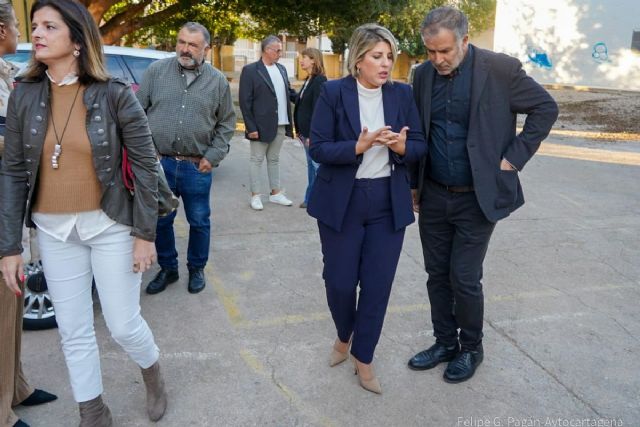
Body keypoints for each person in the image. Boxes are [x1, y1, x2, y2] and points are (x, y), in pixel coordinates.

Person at [0, 1, 168, 424]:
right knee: (73, 331)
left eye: (49, 26)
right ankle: (92, 410)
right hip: (53, 231)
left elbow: (147, 167)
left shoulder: (114, 94)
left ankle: (152, 372)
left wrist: (144, 234)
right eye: (34, 25)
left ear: (76, 40)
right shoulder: (24, 95)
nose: (36, 33)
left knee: (124, 325)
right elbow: (13, 172)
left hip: (110, 225)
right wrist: (9, 246)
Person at [407, 6, 558, 383]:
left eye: (445, 51)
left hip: (478, 196)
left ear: (465, 40)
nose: (438, 59)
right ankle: (444, 343)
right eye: (431, 51)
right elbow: (420, 133)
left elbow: (545, 107)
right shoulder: (422, 75)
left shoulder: (500, 69)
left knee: (464, 276)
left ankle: (471, 347)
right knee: (436, 274)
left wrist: (514, 158)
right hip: (435, 194)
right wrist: (413, 184)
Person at [308, 23, 426, 394]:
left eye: (390, 56)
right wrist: (357, 148)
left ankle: (364, 356)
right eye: (378, 56)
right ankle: (344, 335)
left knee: (377, 287)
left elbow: (420, 145)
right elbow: (319, 147)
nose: (386, 63)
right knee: (340, 283)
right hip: (342, 200)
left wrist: (402, 148)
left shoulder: (402, 95)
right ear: (358, 59)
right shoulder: (331, 92)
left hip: (387, 202)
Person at [137, 22, 236, 295]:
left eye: (192, 45)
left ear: (206, 48)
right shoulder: (157, 72)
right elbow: (137, 114)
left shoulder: (217, 81)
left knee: (199, 220)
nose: (185, 49)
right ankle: (168, 268)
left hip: (196, 166)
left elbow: (227, 123)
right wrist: (147, 153)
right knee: (161, 221)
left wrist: (212, 156)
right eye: (181, 42)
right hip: (161, 165)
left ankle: (196, 268)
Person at [0, 4, 58, 427]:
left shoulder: (7, 73)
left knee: (12, 308)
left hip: (11, 209)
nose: (25, 33)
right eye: (22, 26)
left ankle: (15, 387)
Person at [239, 35, 296, 210]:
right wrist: (251, 127)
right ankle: (255, 195)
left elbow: (287, 92)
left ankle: (276, 193)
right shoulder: (250, 70)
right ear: (266, 50)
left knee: (274, 159)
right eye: (277, 50)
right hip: (260, 125)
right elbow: (244, 101)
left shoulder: (282, 69)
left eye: (281, 50)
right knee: (256, 159)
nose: (280, 53)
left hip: (281, 122)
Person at [293, 47, 327, 209]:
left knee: (318, 168)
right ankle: (311, 199)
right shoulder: (309, 79)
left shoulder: (319, 80)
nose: (301, 60)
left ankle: (322, 199)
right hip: (304, 133)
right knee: (312, 167)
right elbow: (302, 103)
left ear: (313, 59)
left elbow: (319, 110)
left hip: (312, 135)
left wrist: (313, 135)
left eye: (304, 57)